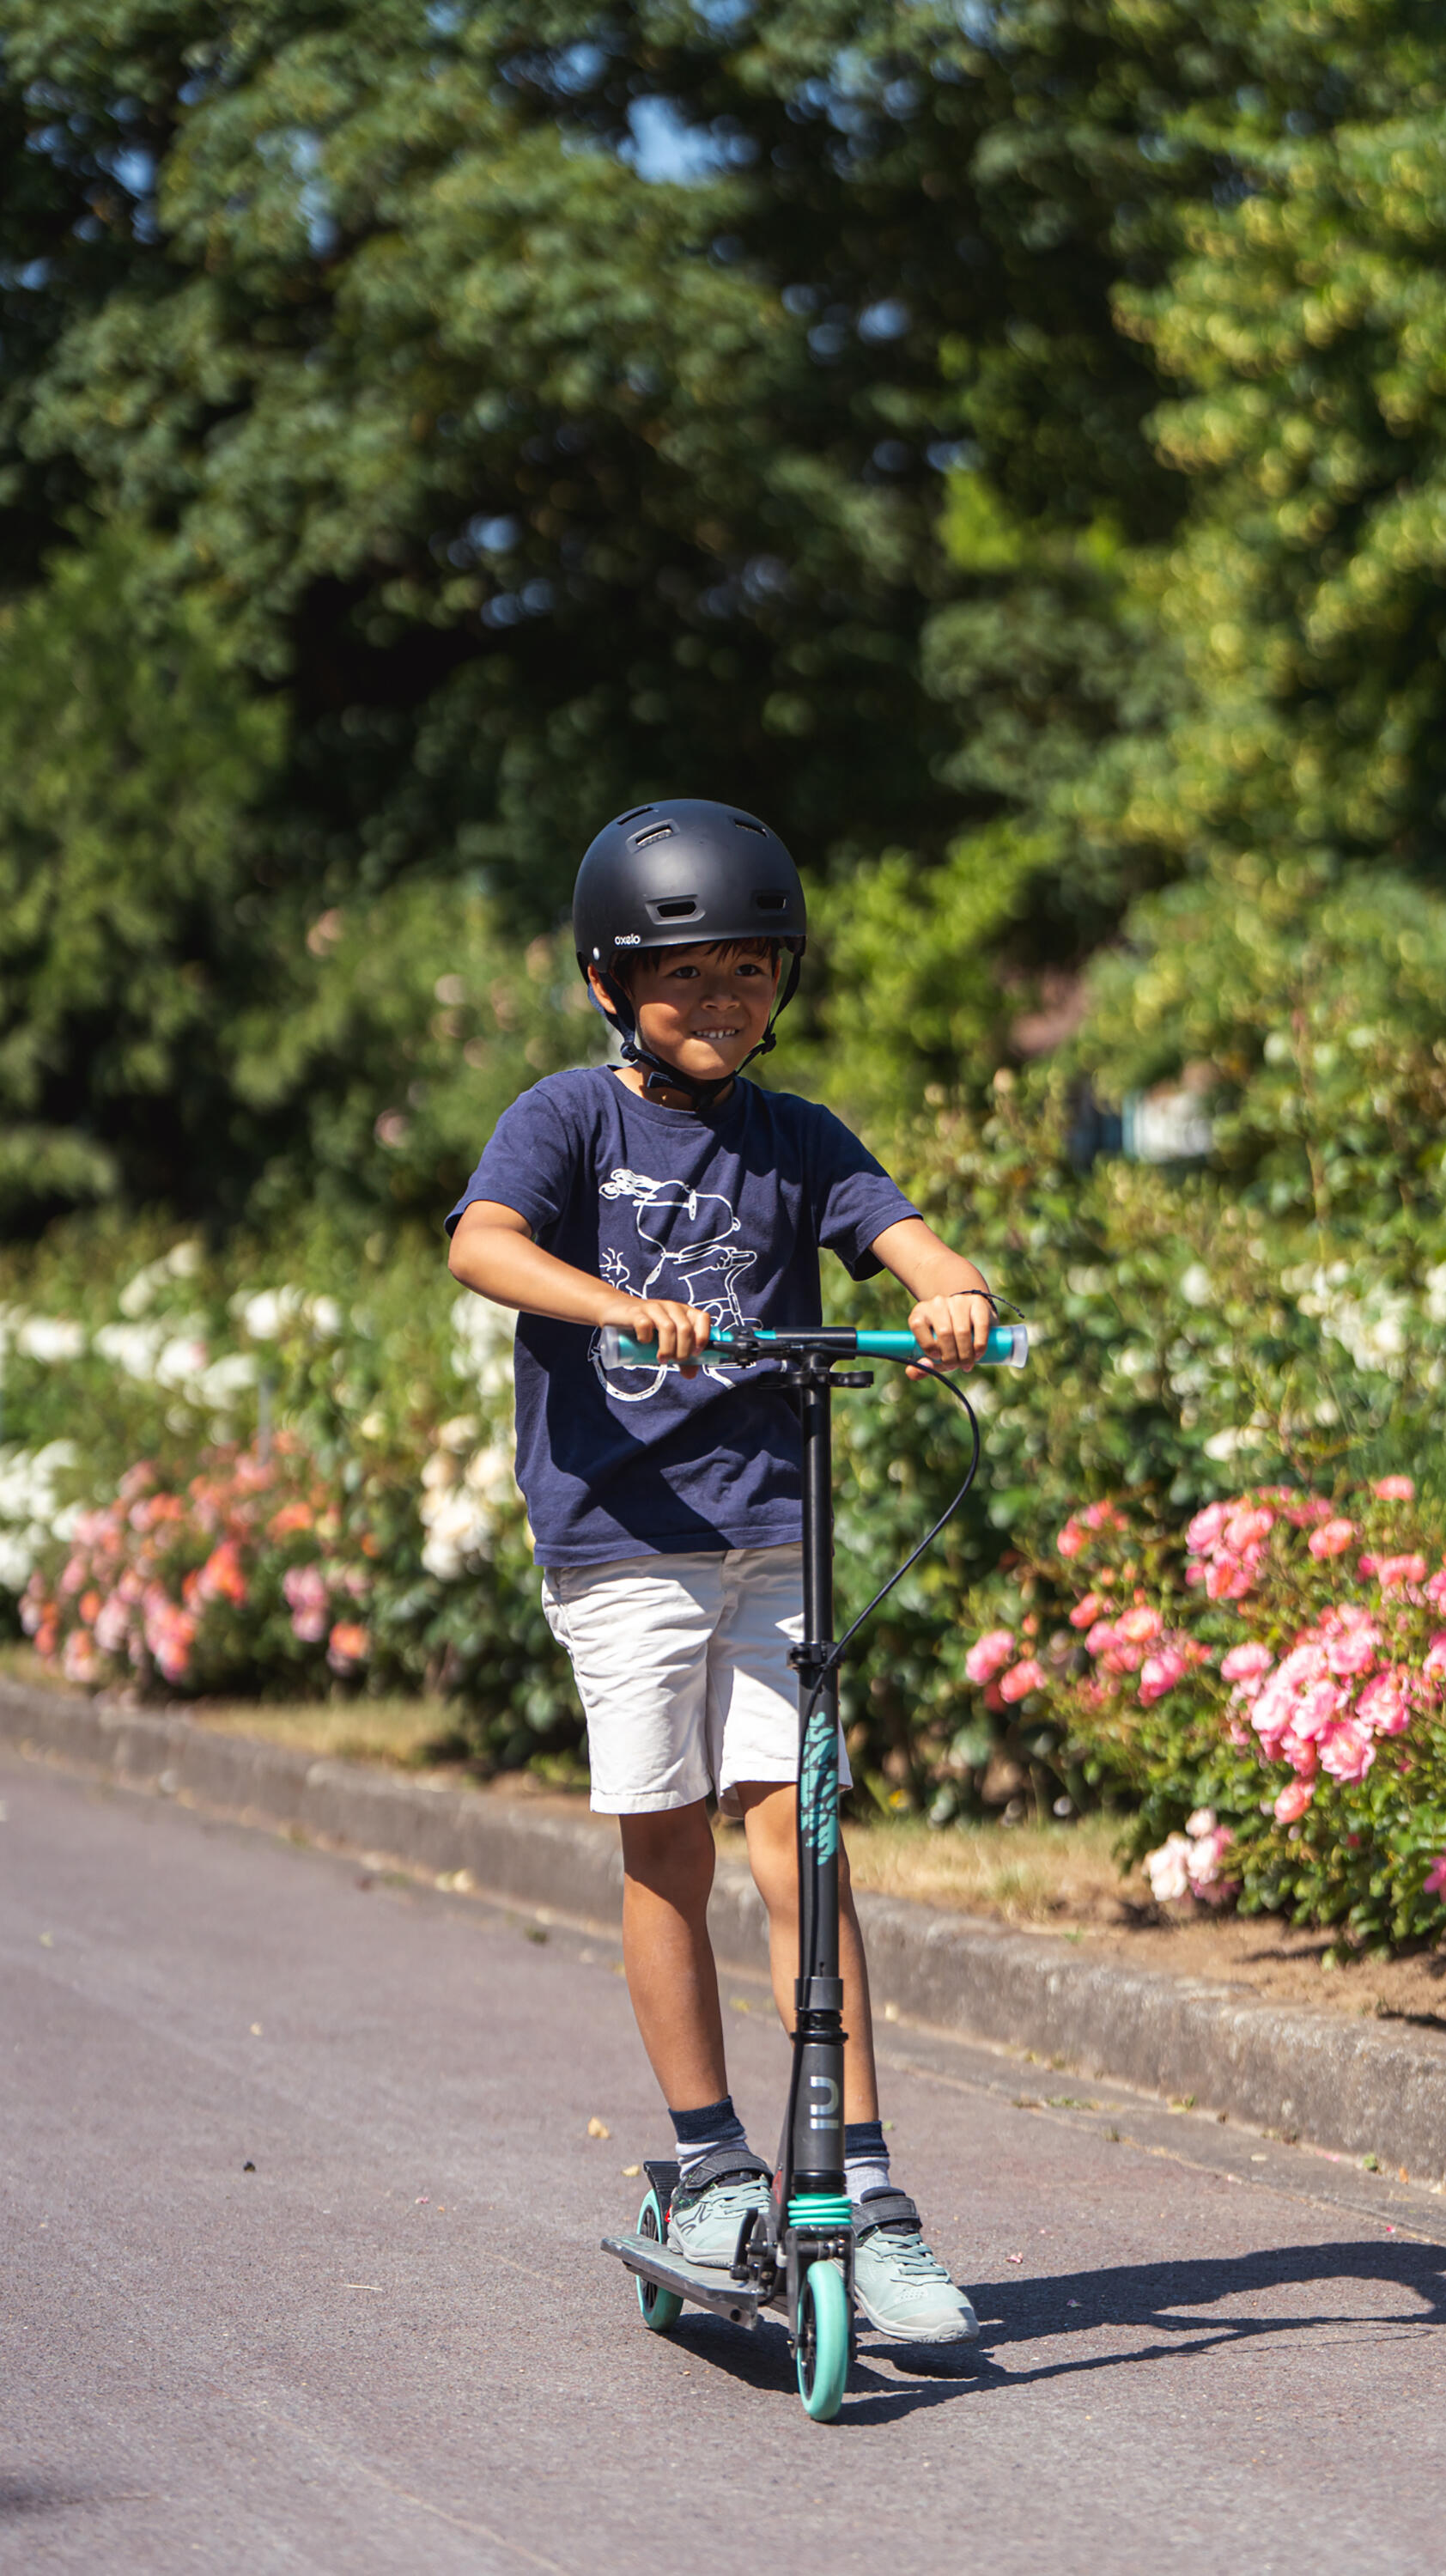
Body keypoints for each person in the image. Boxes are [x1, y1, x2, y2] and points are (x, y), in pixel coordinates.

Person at [446, 799, 997, 2343]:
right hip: (624, 1546)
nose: (723, 1004)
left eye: (752, 976)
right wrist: (613, 1304)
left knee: (801, 1847)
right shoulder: (569, 1119)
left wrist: (953, 1298)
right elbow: (482, 1246)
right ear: (613, 985)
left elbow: (911, 1241)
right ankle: (706, 2166)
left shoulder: (799, 1136)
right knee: (667, 1852)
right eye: (688, 979)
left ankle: (861, 2190)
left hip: (774, 1539)